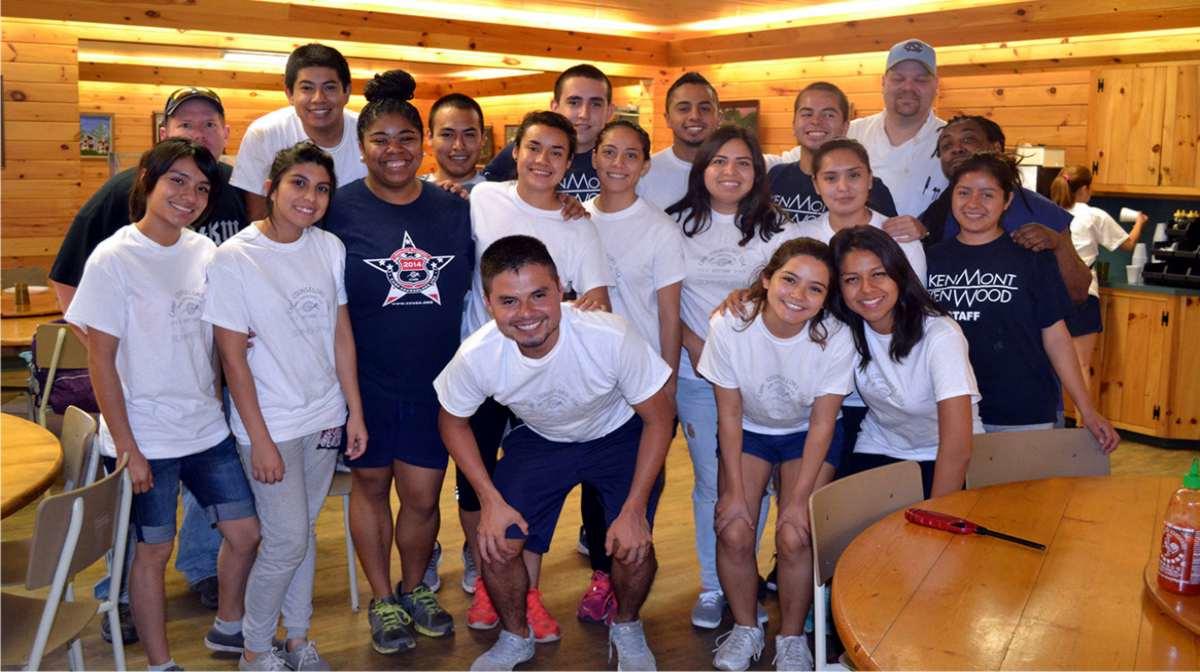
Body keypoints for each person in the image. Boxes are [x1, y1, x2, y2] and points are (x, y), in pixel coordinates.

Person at [48, 85, 249, 642]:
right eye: (176, 182)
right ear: (150, 181)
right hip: (146, 435)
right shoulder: (114, 256)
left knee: (245, 531)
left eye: (199, 187)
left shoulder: (202, 251)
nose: (188, 195)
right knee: (149, 547)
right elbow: (102, 363)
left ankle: (229, 629)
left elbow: (216, 331)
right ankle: (149, 644)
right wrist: (128, 445)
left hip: (205, 425)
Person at [435, 235, 675, 672]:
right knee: (495, 543)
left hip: (619, 435)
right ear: (488, 303)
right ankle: (515, 635)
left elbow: (660, 417)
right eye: (509, 301)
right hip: (543, 439)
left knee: (632, 546)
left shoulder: (609, 335)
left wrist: (636, 507)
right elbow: (452, 422)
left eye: (539, 295)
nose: (526, 314)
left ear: (561, 289)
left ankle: (626, 625)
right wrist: (489, 501)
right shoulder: (478, 355)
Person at [322, 70, 474, 655]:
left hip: (437, 383)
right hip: (364, 384)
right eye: (381, 139)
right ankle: (383, 597)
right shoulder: (336, 210)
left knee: (421, 497)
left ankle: (416, 589)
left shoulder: (454, 209)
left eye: (407, 138)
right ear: (361, 148)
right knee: (369, 487)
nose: (395, 150)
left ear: (423, 144)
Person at [204, 142, 367, 671]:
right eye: (298, 183)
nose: (310, 197)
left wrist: (353, 411)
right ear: (271, 188)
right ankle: (254, 647)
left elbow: (341, 333)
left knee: (303, 534)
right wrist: (261, 439)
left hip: (324, 416)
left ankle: (296, 640)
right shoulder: (234, 258)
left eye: (322, 188)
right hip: (269, 425)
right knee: (286, 540)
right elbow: (232, 358)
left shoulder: (329, 248)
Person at [463, 109, 614, 641]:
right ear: (515, 151)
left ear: (569, 162)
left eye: (556, 152)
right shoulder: (484, 197)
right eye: (534, 148)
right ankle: (489, 579)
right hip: (486, 367)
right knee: (478, 484)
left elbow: (597, 300)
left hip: (545, 373)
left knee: (530, 492)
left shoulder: (578, 222)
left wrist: (566, 310)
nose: (543, 160)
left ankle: (527, 597)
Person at [698, 239, 855, 672]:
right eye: (789, 280)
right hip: (748, 431)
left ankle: (790, 637)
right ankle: (747, 627)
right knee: (732, 527)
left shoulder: (836, 337)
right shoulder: (730, 325)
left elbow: (824, 423)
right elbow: (728, 413)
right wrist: (730, 491)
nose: (798, 296)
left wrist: (798, 502)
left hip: (807, 435)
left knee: (795, 535)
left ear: (827, 299)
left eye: (815, 289)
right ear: (767, 279)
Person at [669, 124, 796, 629]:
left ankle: (740, 578)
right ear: (703, 170)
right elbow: (666, 300)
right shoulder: (675, 225)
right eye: (719, 161)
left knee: (752, 484)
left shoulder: (777, 229)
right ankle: (710, 586)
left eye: (743, 162)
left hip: (757, 379)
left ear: (757, 174)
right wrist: (700, 350)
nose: (730, 171)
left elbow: (788, 295)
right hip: (696, 376)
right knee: (711, 481)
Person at [926, 152, 1119, 451]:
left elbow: (1056, 337)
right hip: (946, 410)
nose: (974, 203)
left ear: (1007, 201)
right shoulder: (929, 260)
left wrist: (1088, 410)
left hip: (1021, 410)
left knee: (1020, 499)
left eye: (987, 194)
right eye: (964, 193)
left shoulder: (1031, 256)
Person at [582, 119, 685, 624]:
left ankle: (628, 581)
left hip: (642, 382)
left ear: (644, 165)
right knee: (595, 486)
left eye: (630, 156)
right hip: (589, 378)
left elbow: (670, 313)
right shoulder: (575, 219)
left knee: (637, 488)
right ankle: (602, 574)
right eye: (609, 153)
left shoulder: (659, 229)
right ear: (595, 158)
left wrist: (666, 380)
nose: (618, 164)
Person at [829, 226, 979, 497]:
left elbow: (957, 447)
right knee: (844, 526)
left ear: (898, 274)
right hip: (879, 445)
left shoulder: (940, 335)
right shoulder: (846, 327)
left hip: (941, 453)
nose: (866, 289)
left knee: (919, 534)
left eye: (878, 274)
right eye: (852, 279)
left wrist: (937, 516)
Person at [914, 115, 1093, 302]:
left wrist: (1059, 245)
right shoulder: (931, 218)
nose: (956, 149)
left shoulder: (1041, 211)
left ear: (996, 148)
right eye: (946, 145)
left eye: (968, 139)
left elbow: (1078, 292)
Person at [231, 43, 366, 220]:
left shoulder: (368, 133)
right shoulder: (264, 134)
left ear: (347, 92)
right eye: (307, 88)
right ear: (289, 94)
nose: (319, 98)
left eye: (329, 87)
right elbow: (258, 216)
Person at [1050, 164, 1149, 390]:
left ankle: (1053, 421)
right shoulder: (1094, 215)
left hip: (1051, 291)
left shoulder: (1048, 211)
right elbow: (1128, 244)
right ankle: (1082, 423)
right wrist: (1139, 222)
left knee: (1051, 363)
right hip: (1082, 292)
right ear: (1085, 189)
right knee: (1081, 365)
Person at [482, 64, 615, 201]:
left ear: (609, 111)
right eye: (574, 103)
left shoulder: (622, 161)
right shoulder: (526, 152)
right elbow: (481, 190)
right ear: (555, 107)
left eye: (596, 104)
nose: (584, 114)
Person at [768, 82, 897, 223]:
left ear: (845, 127)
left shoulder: (868, 188)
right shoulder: (776, 177)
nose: (816, 121)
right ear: (794, 125)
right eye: (807, 114)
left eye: (828, 115)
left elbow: (892, 237)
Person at [846, 38, 946, 218]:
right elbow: (797, 159)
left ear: (936, 85)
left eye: (921, 80)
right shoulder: (852, 133)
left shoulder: (951, 142)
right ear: (883, 82)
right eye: (898, 78)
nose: (908, 87)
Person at [637, 72, 721, 211]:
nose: (694, 116)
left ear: (719, 117)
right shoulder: (644, 172)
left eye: (704, 108)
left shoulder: (737, 173)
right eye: (684, 109)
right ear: (668, 119)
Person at [425, 93, 487, 190]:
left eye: (469, 135)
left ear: (482, 139)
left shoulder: (501, 195)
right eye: (447, 135)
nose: (459, 146)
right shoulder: (410, 193)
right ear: (429, 138)